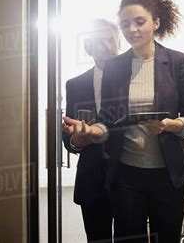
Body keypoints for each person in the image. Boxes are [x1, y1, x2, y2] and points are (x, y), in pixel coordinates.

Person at [62, 0, 184, 243]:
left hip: (169, 174)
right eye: (125, 24)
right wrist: (92, 132)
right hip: (126, 175)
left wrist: (173, 125)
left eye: (139, 22)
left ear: (155, 22)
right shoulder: (116, 67)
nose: (132, 30)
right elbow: (107, 120)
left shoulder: (178, 62)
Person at [62, 19, 119, 242]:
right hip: (92, 180)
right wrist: (77, 141)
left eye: (111, 39)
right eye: (99, 41)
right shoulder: (75, 85)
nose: (106, 46)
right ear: (88, 47)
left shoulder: (136, 81)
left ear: (118, 42)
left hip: (130, 179)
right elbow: (69, 139)